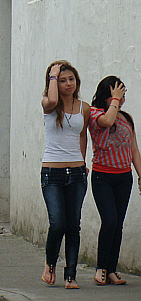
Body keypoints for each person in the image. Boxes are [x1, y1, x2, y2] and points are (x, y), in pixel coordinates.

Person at [40, 60, 89, 289]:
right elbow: (51, 100)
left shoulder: (83, 107)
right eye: (62, 80)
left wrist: (83, 160)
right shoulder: (48, 105)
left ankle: (71, 275)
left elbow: (82, 136)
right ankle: (50, 264)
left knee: (73, 225)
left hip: (76, 173)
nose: (68, 83)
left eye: (71, 79)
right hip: (52, 173)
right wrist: (53, 73)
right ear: (54, 83)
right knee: (57, 223)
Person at [88, 76, 141, 286]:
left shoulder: (126, 118)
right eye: (117, 94)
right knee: (109, 221)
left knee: (118, 224)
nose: (121, 99)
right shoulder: (95, 114)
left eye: (123, 95)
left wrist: (140, 174)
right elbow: (107, 122)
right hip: (103, 176)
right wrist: (114, 101)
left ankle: (111, 269)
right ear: (106, 96)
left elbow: (134, 149)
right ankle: (101, 267)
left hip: (123, 177)